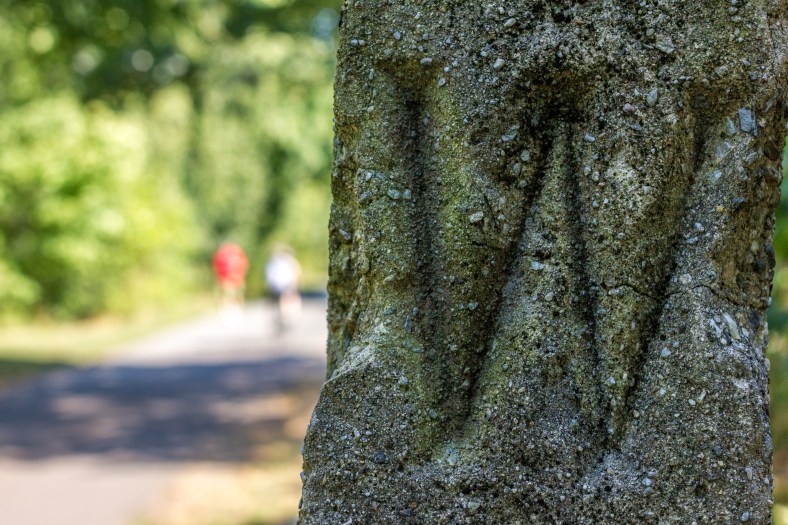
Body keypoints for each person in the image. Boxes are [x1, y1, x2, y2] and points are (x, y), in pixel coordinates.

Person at [265, 246, 302, 330]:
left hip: (279, 284)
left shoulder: (274, 262)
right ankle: (282, 318)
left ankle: (282, 318)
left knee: (281, 302)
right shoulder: (286, 262)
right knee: (282, 302)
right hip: (283, 284)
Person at [213, 242, 249, 311]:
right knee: (232, 292)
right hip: (233, 278)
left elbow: (216, 265)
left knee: (232, 292)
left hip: (231, 277)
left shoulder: (224, 255)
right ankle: (232, 306)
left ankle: (232, 306)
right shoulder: (237, 254)